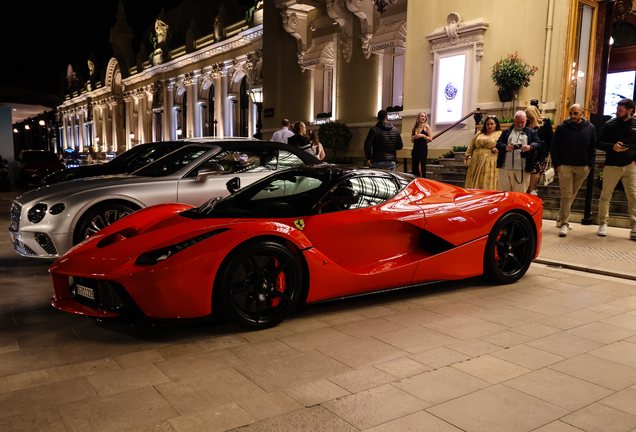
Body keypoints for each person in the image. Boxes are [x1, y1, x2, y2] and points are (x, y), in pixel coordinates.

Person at [550, 103, 596, 237]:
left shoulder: (590, 128)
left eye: (575, 113)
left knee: (572, 194)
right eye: (570, 113)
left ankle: (560, 218)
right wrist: (558, 165)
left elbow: (593, 147)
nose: (572, 116)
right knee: (567, 194)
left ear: (582, 113)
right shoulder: (562, 128)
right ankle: (564, 223)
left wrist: (590, 165)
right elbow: (554, 147)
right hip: (565, 166)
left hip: (583, 167)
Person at [596, 98, 636, 240]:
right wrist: (612, 146)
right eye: (617, 110)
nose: (617, 112)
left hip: (630, 166)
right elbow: (598, 143)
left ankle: (635, 226)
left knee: (634, 196)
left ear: (629, 111)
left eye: (620, 110)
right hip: (612, 165)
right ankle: (603, 223)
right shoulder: (610, 124)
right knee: (605, 195)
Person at [495, 111, 541, 193]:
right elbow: (498, 143)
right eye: (517, 122)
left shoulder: (531, 132)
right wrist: (506, 147)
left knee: (519, 195)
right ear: (513, 120)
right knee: (503, 195)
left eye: (522, 122)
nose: (520, 124)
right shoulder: (506, 132)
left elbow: (538, 143)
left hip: (522, 169)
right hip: (505, 168)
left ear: (526, 120)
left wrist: (530, 147)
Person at [464, 115, 502, 190]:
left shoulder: (499, 134)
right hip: (476, 159)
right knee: (473, 179)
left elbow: (503, 145)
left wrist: (498, 149)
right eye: (487, 124)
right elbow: (472, 145)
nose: (489, 126)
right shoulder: (479, 133)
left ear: (496, 124)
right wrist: (466, 156)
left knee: (486, 179)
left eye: (492, 124)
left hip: (490, 160)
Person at [525, 105, 553, 195]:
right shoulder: (525, 122)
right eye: (527, 116)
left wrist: (549, 150)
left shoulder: (544, 121)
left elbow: (550, 136)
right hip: (527, 150)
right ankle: (525, 189)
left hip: (540, 150)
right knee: (527, 170)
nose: (528, 118)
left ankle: (532, 189)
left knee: (535, 170)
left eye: (529, 116)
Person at [410, 112, 433, 177]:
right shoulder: (415, 127)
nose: (423, 118)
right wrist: (413, 138)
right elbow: (412, 140)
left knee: (421, 167)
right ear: (418, 118)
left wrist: (422, 135)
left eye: (425, 117)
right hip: (415, 148)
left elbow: (430, 139)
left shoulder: (426, 127)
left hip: (422, 148)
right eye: (422, 116)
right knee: (415, 166)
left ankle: (423, 180)